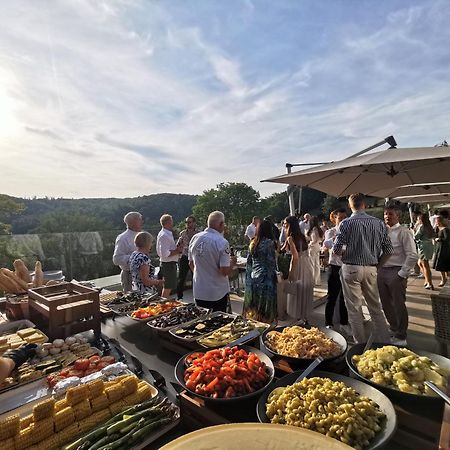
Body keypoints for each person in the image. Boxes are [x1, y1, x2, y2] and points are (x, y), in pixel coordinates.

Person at [333, 193, 393, 344]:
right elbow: (389, 250)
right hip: (371, 267)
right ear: (364, 204)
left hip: (351, 267)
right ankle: (384, 342)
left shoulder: (346, 223)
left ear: (350, 205)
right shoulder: (378, 223)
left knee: (354, 310)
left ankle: (360, 344)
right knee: (375, 308)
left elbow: (336, 249)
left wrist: (347, 252)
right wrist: (378, 266)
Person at [378, 206, 418, 345]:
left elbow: (412, 254)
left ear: (397, 216)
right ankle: (394, 327)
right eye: (385, 214)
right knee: (385, 303)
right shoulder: (382, 231)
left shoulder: (404, 232)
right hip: (382, 270)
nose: (387, 216)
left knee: (398, 304)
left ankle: (401, 334)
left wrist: (402, 273)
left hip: (397, 270)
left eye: (390, 214)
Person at [189, 211, 237, 312]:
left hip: (199, 290)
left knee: (201, 322)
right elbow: (224, 271)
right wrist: (233, 263)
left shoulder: (195, 238)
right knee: (219, 323)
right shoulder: (222, 242)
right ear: (221, 224)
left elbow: (191, 264)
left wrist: (203, 275)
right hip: (216, 293)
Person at [281, 216, 314, 325]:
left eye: (285, 223)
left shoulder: (291, 238)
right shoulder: (302, 236)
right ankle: (304, 317)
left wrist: (291, 272)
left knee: (297, 291)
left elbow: (295, 257)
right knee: (305, 291)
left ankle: (298, 317)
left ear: (290, 224)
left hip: (298, 265)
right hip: (307, 264)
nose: (284, 225)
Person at [243, 219, 278, 324]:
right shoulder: (270, 243)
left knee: (255, 305)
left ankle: (254, 324)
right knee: (266, 306)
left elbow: (249, 262)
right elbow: (271, 263)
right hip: (266, 278)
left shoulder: (253, 242)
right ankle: (266, 326)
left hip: (254, 277)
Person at [322, 208, 350, 335]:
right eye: (340, 218)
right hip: (334, 267)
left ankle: (344, 323)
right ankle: (328, 323)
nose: (343, 220)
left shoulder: (350, 232)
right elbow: (330, 247)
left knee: (345, 297)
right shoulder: (331, 232)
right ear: (334, 218)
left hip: (347, 266)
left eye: (345, 217)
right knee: (331, 296)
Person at [112, 212, 144, 292]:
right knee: (132, 302)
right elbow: (116, 259)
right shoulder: (123, 238)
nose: (142, 222)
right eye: (140, 220)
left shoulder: (142, 235)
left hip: (143, 274)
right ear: (133, 222)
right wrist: (136, 256)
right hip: (129, 276)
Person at [156, 214, 183, 298]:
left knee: (168, 286)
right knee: (167, 287)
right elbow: (165, 253)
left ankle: (164, 304)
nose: (172, 223)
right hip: (168, 265)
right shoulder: (164, 235)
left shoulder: (165, 234)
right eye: (171, 221)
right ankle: (163, 305)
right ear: (168, 222)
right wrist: (177, 251)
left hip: (168, 264)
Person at [176, 216, 199, 300]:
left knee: (195, 276)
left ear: (194, 223)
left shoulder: (198, 233)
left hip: (194, 257)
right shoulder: (182, 233)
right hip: (185, 257)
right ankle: (179, 297)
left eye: (189, 222)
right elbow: (178, 245)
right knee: (181, 277)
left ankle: (196, 296)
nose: (188, 224)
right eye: (186, 222)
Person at [414, 212, 435, 290]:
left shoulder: (422, 227)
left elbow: (416, 236)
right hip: (429, 245)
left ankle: (429, 282)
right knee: (420, 263)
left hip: (423, 247)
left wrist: (414, 229)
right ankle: (427, 280)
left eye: (418, 219)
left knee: (425, 265)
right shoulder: (429, 226)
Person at [433, 215, 450, 287]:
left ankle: (445, 279)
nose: (436, 223)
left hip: (444, 249)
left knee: (443, 265)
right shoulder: (438, 229)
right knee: (440, 265)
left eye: (437, 222)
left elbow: (447, 239)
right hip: (439, 248)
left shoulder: (445, 229)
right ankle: (444, 279)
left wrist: (439, 239)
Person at [307, 216, 324, 286]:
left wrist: (309, 244)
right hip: (318, 246)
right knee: (317, 264)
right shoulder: (319, 229)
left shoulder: (314, 229)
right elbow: (320, 239)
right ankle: (317, 281)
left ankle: (312, 281)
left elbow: (314, 240)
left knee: (312, 264)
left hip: (313, 247)